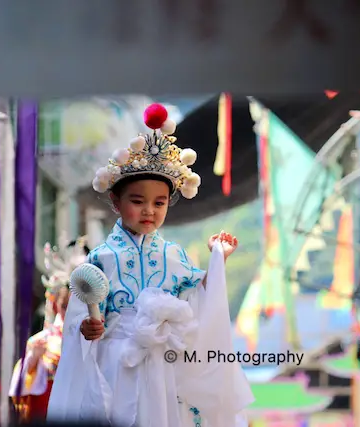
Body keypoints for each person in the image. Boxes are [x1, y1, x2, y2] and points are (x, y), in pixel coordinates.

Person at [47, 104, 254, 426]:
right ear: (116, 202)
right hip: (117, 362)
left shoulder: (174, 255)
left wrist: (217, 259)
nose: (149, 211)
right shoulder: (101, 258)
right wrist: (87, 328)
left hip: (165, 365)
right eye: (137, 201)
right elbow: (79, 314)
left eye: (159, 203)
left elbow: (196, 300)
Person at [9, 238, 89, 422]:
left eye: (75, 305)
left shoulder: (95, 336)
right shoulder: (40, 341)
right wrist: (33, 360)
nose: (69, 311)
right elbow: (22, 392)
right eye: (64, 305)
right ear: (55, 305)